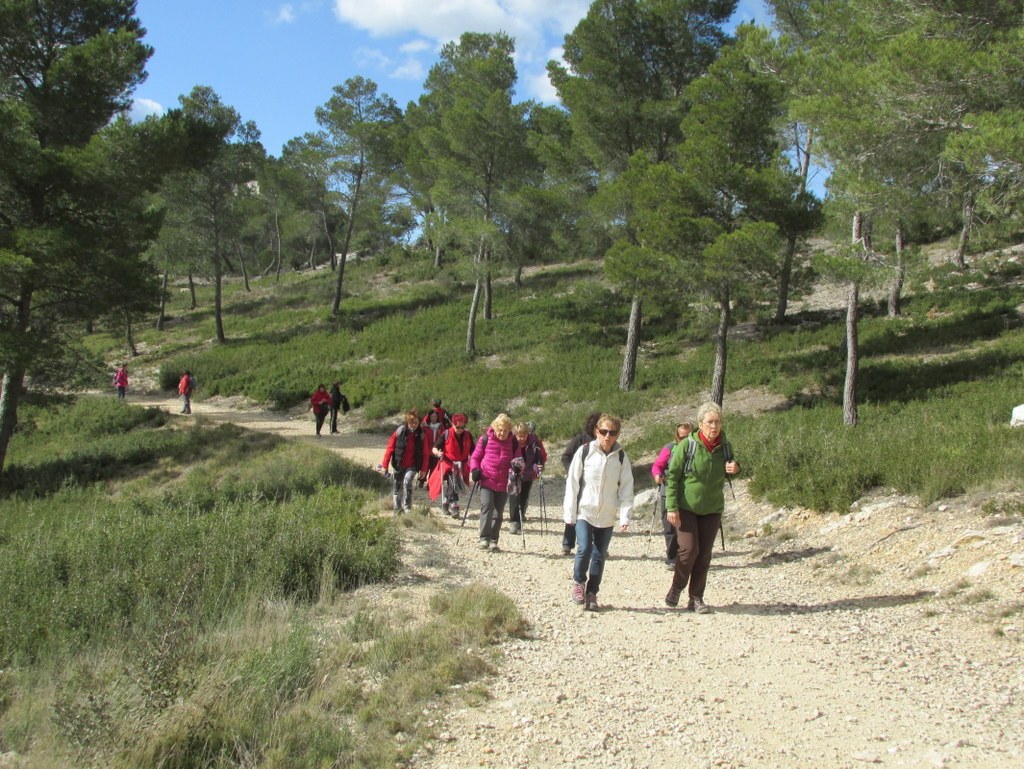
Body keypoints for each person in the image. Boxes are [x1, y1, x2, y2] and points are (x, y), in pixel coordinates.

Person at [663, 402, 740, 614]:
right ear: (700, 424)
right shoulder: (686, 446)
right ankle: (677, 587)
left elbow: (732, 467)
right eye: (710, 422)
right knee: (688, 550)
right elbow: (672, 477)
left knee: (704, 555)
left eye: (718, 422)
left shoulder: (725, 447)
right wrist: (671, 507)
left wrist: (736, 468)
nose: (714, 426)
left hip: (712, 509)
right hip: (686, 507)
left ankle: (696, 598)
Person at [563, 413, 634, 611]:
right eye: (603, 431)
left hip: (607, 515)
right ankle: (578, 583)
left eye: (612, 432)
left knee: (599, 555)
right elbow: (573, 483)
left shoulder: (620, 457)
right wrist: (570, 513)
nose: (607, 436)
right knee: (584, 548)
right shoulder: (584, 452)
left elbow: (627, 487)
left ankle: (592, 593)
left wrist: (624, 515)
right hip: (585, 511)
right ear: (596, 431)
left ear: (618, 435)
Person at [469, 413, 518, 551]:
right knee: (487, 506)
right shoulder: (485, 439)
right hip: (487, 478)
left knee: (498, 512)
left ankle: (493, 540)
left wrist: (518, 467)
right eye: (500, 430)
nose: (502, 433)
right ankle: (484, 538)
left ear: (509, 430)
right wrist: (475, 470)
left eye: (505, 430)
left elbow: (519, 459)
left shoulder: (513, 442)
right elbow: (475, 457)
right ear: (494, 428)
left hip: (504, 482)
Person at [651, 421, 693, 567]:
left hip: (688, 493)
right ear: (677, 436)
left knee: (686, 526)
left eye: (687, 436)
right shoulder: (669, 448)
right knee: (670, 527)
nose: (684, 440)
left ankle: (686, 557)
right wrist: (657, 475)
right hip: (667, 491)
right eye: (681, 437)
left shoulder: (695, 449)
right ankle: (672, 558)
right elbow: (658, 466)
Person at [559, 411, 602, 555]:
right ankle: (567, 543)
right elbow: (565, 457)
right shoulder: (581, 438)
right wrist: (571, 473)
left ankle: (591, 545)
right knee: (572, 510)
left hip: (594, 485)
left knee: (593, 513)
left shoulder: (605, 444)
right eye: (600, 427)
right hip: (576, 482)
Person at [381, 410, 430, 513]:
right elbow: (390, 448)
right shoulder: (400, 431)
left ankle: (407, 507)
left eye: (415, 423)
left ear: (419, 423)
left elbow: (426, 453)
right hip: (399, 464)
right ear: (407, 422)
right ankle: (397, 509)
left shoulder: (422, 435)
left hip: (412, 465)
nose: (412, 425)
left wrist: (424, 469)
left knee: (407, 481)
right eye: (410, 422)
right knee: (397, 486)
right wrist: (384, 465)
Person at [428, 413, 474, 517]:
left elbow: (473, 451)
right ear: (452, 424)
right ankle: (455, 507)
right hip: (447, 464)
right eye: (457, 427)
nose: (460, 429)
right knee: (453, 483)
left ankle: (445, 502)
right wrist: (438, 453)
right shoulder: (446, 433)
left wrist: (475, 461)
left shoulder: (468, 435)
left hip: (461, 465)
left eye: (462, 427)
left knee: (452, 484)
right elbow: (434, 447)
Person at [508, 421, 548, 534]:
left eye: (524, 435)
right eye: (519, 436)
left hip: (528, 473)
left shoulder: (534, 441)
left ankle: (520, 517)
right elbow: (507, 456)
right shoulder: (511, 442)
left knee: (524, 496)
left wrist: (540, 464)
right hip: (514, 473)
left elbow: (542, 455)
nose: (522, 438)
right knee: (514, 497)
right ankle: (514, 522)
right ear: (515, 434)